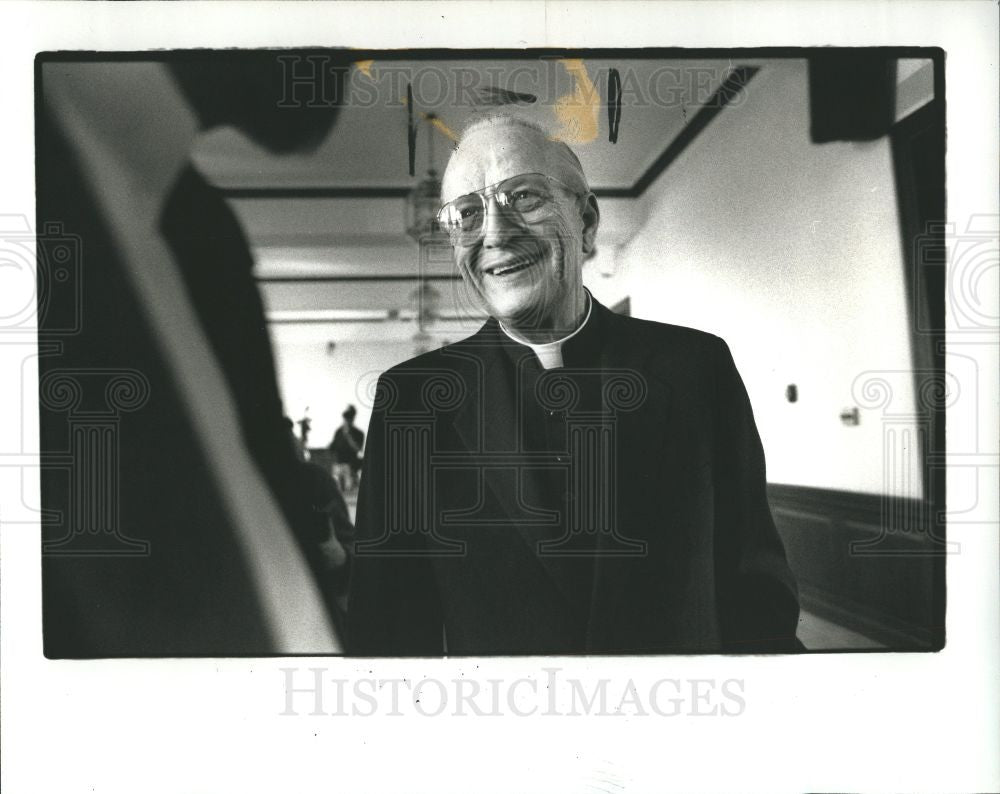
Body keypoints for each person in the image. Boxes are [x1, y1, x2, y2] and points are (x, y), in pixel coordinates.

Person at [347, 114, 800, 655]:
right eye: (468, 213)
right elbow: (388, 634)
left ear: (585, 222)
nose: (495, 233)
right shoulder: (412, 402)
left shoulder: (695, 368)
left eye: (524, 197)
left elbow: (755, 593)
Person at [329, 404, 365, 490]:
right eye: (345, 417)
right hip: (338, 466)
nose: (347, 420)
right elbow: (331, 448)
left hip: (350, 467)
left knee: (349, 491)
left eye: (349, 417)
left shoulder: (358, 433)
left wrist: (348, 436)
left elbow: (358, 450)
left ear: (353, 418)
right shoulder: (338, 432)